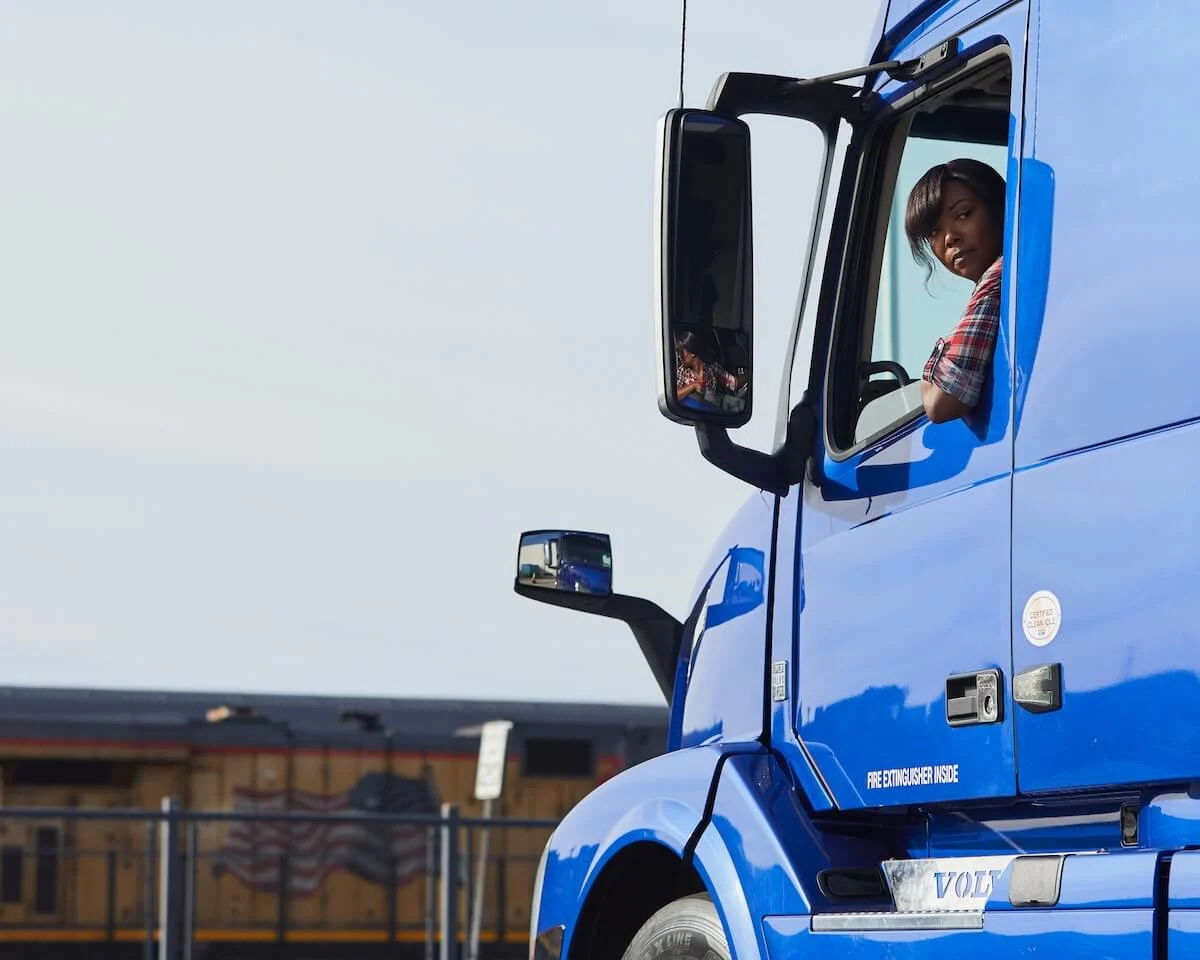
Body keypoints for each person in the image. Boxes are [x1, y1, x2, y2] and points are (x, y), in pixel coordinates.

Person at [904, 158, 1006, 424]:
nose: (949, 238)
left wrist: (929, 380)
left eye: (963, 214)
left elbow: (942, 403)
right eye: (934, 231)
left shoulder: (999, 277)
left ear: (999, 208)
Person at [675, 330, 745, 407]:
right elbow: (674, 395)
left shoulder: (712, 367)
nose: (679, 356)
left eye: (682, 352)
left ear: (692, 353)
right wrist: (693, 385)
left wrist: (749, 374)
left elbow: (733, 383)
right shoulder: (682, 371)